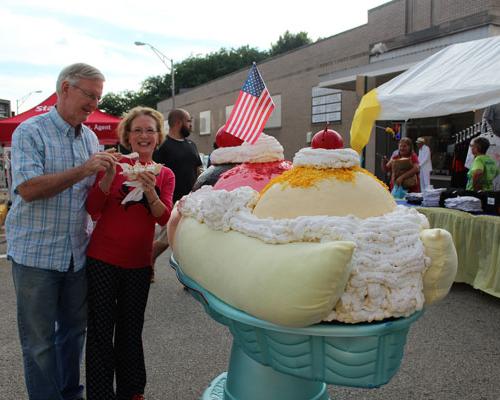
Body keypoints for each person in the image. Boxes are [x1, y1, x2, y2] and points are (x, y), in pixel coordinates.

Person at [5, 63, 117, 400]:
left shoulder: (91, 137)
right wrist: (84, 168)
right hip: (36, 255)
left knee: (72, 335)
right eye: (89, 95)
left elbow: (90, 197)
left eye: (98, 97)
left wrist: (112, 176)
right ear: (65, 89)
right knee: (39, 343)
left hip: (75, 253)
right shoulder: (30, 131)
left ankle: (70, 394)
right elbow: (27, 188)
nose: (94, 105)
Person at [85, 106, 175, 400]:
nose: (144, 135)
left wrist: (150, 192)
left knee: (130, 330)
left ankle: (132, 392)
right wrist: (108, 178)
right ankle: (100, 394)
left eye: (150, 130)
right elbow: (93, 210)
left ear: (158, 136)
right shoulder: (111, 164)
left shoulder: (165, 174)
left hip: (138, 263)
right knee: (100, 332)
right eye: (137, 130)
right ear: (127, 135)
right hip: (102, 260)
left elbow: (164, 218)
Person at [151, 108, 202, 265]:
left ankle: (187, 274)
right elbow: (155, 172)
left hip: (192, 200)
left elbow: (198, 169)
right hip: (172, 201)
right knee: (165, 239)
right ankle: (147, 263)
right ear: (179, 122)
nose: (191, 125)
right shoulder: (163, 146)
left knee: (187, 238)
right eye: (189, 121)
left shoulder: (191, 144)